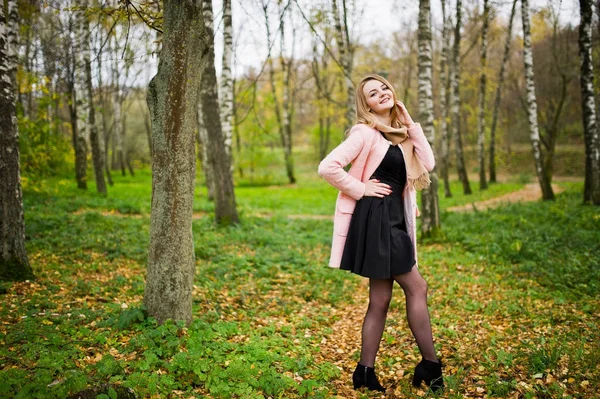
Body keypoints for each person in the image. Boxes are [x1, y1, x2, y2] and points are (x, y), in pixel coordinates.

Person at [317, 74, 444, 393]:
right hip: (377, 220)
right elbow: (328, 167)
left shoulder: (401, 133)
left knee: (381, 298)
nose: (382, 94)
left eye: (385, 87)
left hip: (394, 218)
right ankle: (430, 365)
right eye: (374, 93)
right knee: (417, 286)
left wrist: (410, 122)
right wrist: (360, 188)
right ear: (367, 104)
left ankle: (364, 372)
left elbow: (428, 162)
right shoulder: (364, 133)